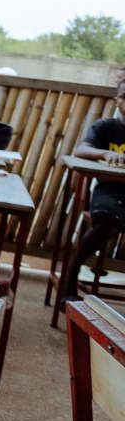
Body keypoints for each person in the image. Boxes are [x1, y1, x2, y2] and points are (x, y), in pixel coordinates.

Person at [64, 81, 125, 299]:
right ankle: (70, 277)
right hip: (109, 190)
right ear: (116, 100)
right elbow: (81, 149)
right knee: (107, 220)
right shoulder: (106, 127)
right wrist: (105, 154)